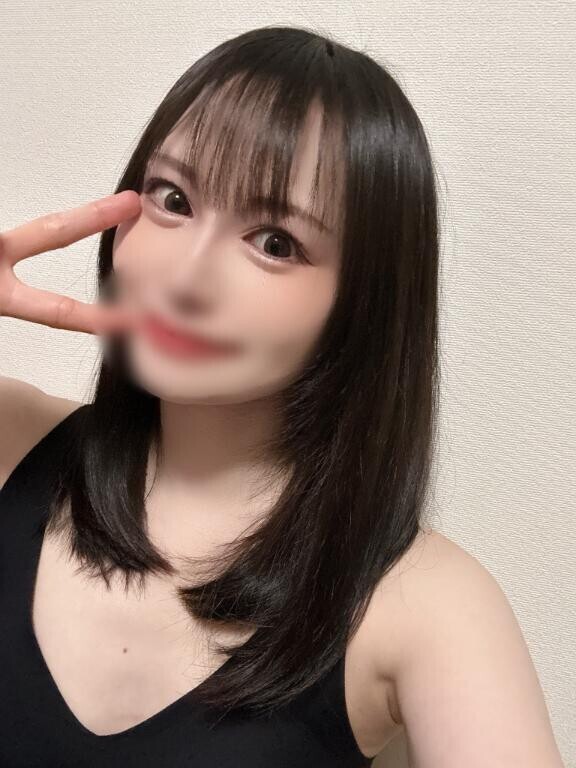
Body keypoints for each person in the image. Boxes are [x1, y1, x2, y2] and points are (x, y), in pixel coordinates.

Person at [0, 24, 564, 768]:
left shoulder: (423, 604)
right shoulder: (11, 437)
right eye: (173, 199)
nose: (184, 278)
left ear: (362, 303)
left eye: (275, 243)